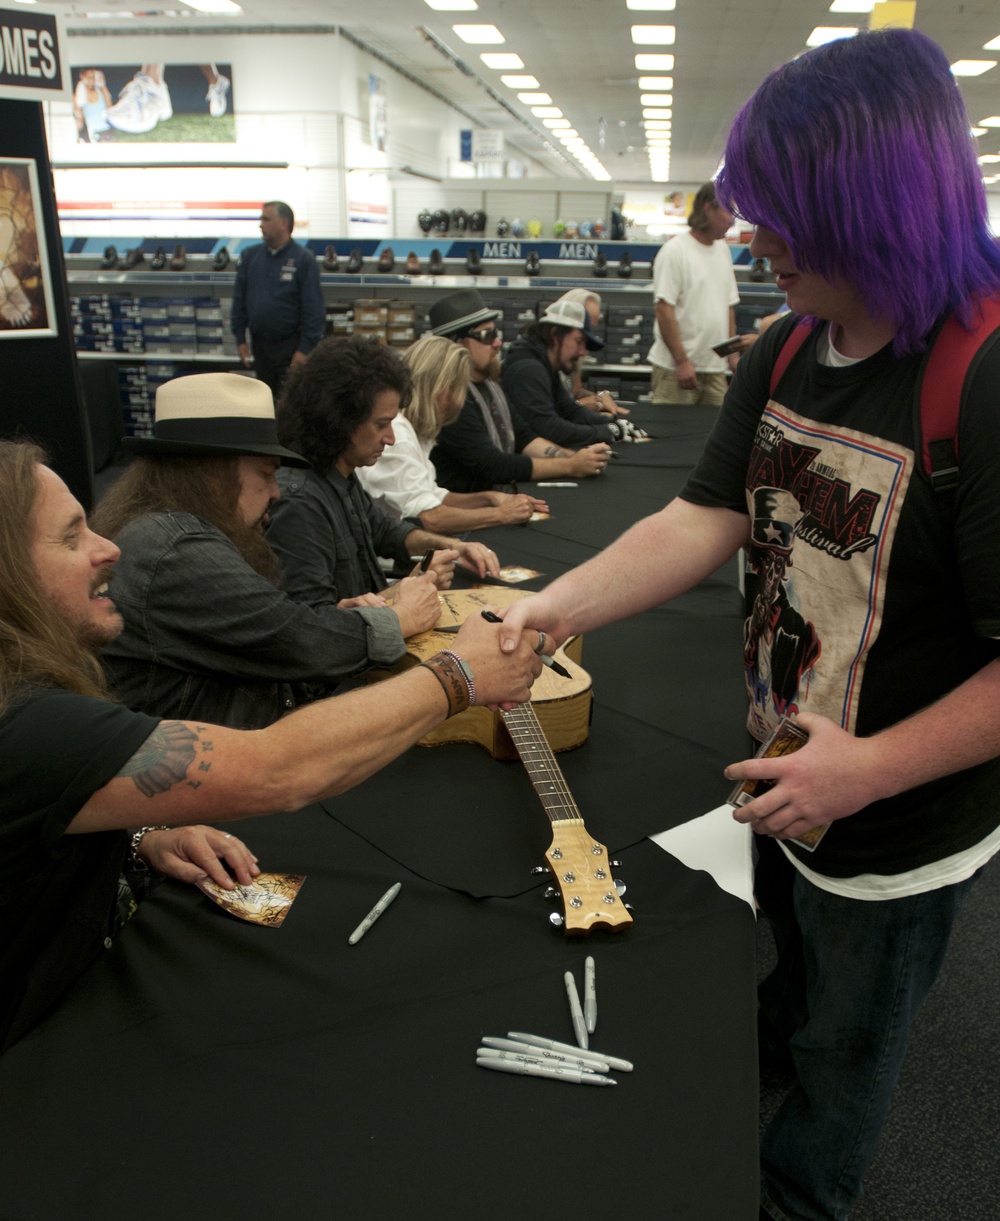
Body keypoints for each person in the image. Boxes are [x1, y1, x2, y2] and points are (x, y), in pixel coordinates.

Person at [499, 28, 1000, 1221]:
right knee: (791, 975)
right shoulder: (785, 345)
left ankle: (801, 1194)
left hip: (897, 820)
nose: (756, 238)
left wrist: (869, 768)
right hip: (783, 774)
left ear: (869, 204)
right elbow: (702, 514)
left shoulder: (979, 381)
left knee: (850, 1046)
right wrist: (550, 606)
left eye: (783, 216)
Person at [0, 437, 541, 1052]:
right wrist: (459, 675)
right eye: (72, 538)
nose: (108, 546)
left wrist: (139, 833)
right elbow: (276, 770)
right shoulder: (28, 719)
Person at [93, 373, 437, 729]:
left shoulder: (168, 530)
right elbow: (295, 641)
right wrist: (402, 617)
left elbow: (266, 630)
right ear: (213, 474)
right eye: (265, 474)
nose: (276, 492)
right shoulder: (175, 549)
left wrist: (337, 619)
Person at [267, 336, 500, 621]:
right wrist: (404, 592)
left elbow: (387, 531)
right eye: (381, 425)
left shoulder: (339, 471)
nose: (390, 438)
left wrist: (453, 547)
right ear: (338, 419)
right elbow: (315, 626)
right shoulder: (299, 502)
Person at [357, 334, 549, 533]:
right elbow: (430, 517)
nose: (460, 400)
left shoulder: (416, 433)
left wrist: (488, 499)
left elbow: (433, 497)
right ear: (442, 389)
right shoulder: (397, 435)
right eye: (459, 388)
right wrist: (501, 514)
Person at [427, 289, 611, 494]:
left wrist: (577, 458)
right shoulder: (449, 398)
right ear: (456, 344)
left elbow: (524, 437)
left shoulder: (491, 384)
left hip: (496, 498)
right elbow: (494, 465)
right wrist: (570, 465)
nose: (497, 343)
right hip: (467, 510)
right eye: (487, 336)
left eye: (495, 333)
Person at [647, 181, 744, 406]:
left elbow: (728, 305)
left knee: (713, 437)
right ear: (707, 207)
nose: (733, 220)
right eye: (728, 211)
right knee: (672, 436)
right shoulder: (675, 251)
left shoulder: (723, 250)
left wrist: (732, 355)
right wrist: (681, 362)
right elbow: (663, 310)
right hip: (676, 370)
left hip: (714, 369)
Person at [501, 299, 646, 448]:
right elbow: (550, 429)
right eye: (578, 341)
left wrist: (612, 423)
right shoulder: (529, 369)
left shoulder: (545, 362)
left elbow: (569, 409)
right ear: (554, 335)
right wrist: (608, 432)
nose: (583, 352)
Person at [230, 201, 324, 399]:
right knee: (264, 404)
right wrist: (240, 338)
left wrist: (304, 350)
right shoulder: (250, 256)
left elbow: (314, 310)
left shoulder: (303, 260)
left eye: (266, 219)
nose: (260, 224)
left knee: (290, 405)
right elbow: (239, 299)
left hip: (290, 349)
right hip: (260, 346)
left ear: (283, 223)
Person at [549, 288, 629, 416]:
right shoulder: (536, 363)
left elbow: (575, 391)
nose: (583, 350)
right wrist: (578, 407)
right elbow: (544, 417)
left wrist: (599, 397)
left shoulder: (570, 355)